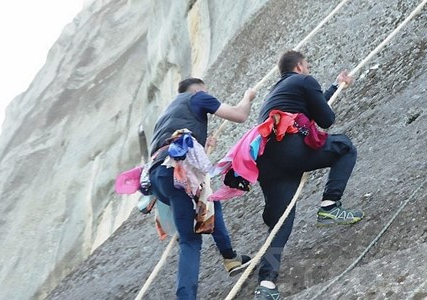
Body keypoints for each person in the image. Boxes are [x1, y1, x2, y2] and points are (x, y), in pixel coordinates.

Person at [253, 50, 363, 299]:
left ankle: (266, 284)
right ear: (300, 67)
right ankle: (330, 204)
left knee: (281, 223)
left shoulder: (277, 94)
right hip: (289, 149)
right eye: (308, 66)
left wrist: (336, 86)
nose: (309, 70)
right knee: (344, 147)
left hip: (267, 160)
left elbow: (312, 111)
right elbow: (326, 118)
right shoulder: (304, 81)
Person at [148, 78, 256, 300]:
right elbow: (239, 115)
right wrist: (248, 97)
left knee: (209, 199)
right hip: (177, 172)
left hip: (158, 176)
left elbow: (173, 148)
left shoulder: (165, 116)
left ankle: (230, 257)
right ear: (199, 90)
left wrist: (205, 147)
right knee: (190, 240)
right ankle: (186, 296)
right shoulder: (198, 97)